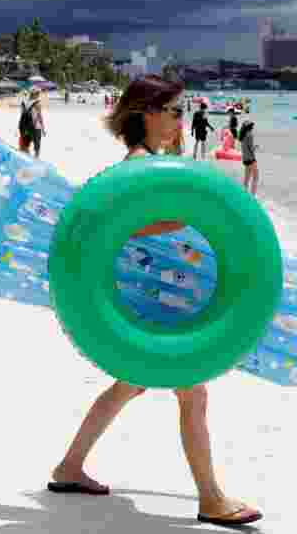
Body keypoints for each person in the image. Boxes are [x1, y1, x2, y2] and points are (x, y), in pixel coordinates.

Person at [50, 76, 262, 528]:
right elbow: (129, 227)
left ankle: (69, 467)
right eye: (173, 111)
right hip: (147, 300)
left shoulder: (155, 164)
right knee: (193, 391)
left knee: (134, 383)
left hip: (148, 295)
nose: (178, 120)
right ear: (148, 112)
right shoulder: (138, 164)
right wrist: (208, 215)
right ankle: (211, 499)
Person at [18, 89, 45, 157]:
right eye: (38, 94)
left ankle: (26, 158)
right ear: (36, 94)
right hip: (35, 127)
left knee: (25, 145)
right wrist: (43, 128)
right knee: (37, 147)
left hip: (24, 126)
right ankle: (35, 160)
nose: (39, 95)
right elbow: (39, 116)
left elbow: (22, 114)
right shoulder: (37, 103)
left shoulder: (24, 102)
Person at [239, 120, 259, 195]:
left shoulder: (242, 135)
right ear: (250, 127)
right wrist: (255, 147)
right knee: (256, 177)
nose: (253, 128)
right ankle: (252, 196)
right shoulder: (250, 135)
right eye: (252, 126)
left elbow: (246, 147)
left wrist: (252, 147)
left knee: (246, 178)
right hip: (251, 159)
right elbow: (251, 149)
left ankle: (244, 194)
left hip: (245, 159)